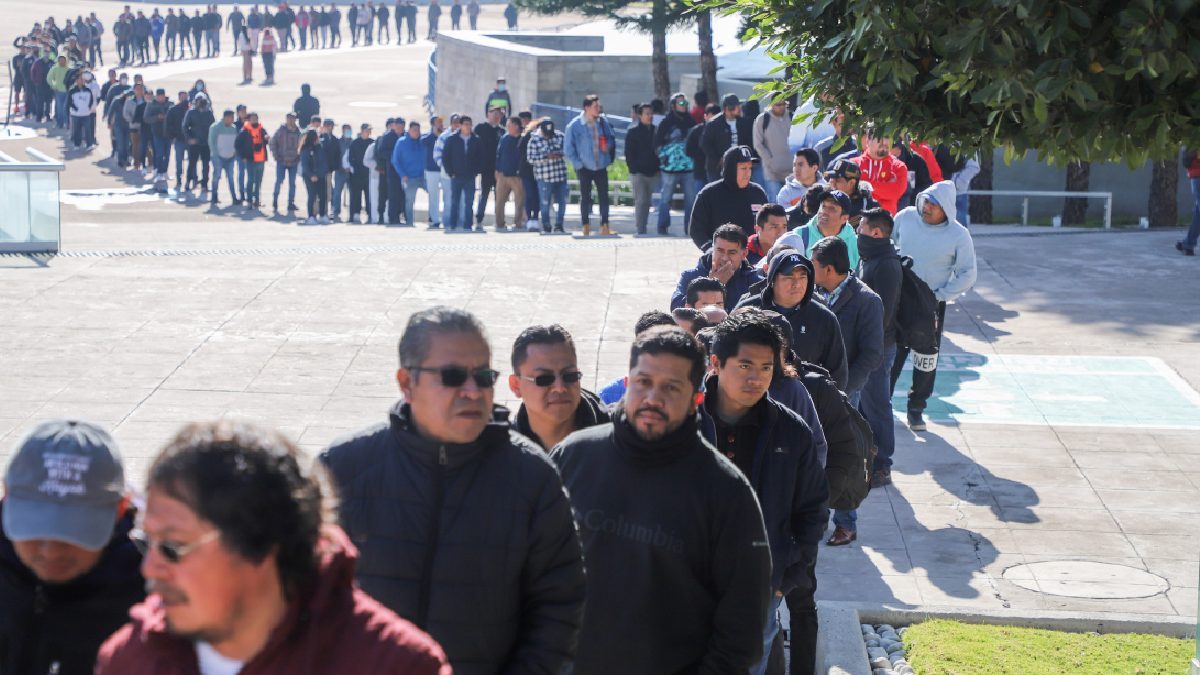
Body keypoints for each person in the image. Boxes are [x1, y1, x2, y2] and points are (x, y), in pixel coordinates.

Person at [319, 307, 586, 674]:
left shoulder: (532, 477)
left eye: (483, 376)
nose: (473, 391)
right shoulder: (341, 470)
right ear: (406, 383)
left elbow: (560, 606)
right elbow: (298, 599)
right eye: (454, 376)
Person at [95, 420, 452, 674]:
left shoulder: (397, 665)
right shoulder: (130, 660)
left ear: (262, 546)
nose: (150, 568)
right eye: (147, 543)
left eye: (173, 547)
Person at [552, 325, 772, 674]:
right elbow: (525, 571)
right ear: (627, 383)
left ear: (695, 400)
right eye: (644, 382)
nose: (653, 398)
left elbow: (741, 632)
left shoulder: (728, 494)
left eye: (671, 387)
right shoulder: (571, 458)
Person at [697, 310, 829, 675]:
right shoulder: (683, 424)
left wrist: (783, 582)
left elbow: (813, 511)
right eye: (744, 366)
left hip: (757, 594)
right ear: (715, 364)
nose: (756, 378)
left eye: (766, 368)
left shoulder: (791, 432)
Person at [0, 420, 145, 675]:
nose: (51, 552)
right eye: (35, 530)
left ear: (120, 510)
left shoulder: (156, 589)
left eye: (74, 533)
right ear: (7, 499)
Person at [811, 236, 883, 545]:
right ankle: (812, 520)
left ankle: (845, 522)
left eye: (813, 265)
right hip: (811, 389)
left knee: (845, 458)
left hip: (844, 393)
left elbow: (871, 354)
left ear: (828, 269)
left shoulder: (867, 301)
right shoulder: (811, 295)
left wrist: (843, 389)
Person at [890, 180, 977, 432]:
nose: (926, 207)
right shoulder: (906, 217)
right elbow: (888, 243)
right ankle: (882, 401)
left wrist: (941, 295)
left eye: (934, 205)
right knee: (890, 354)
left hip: (930, 306)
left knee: (926, 358)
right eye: (925, 201)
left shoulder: (959, 235)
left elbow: (967, 273)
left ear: (947, 210)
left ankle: (916, 407)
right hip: (897, 300)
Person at [736, 250, 850, 392]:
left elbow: (838, 373)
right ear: (772, 279)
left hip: (805, 404)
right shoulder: (748, 310)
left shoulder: (824, 318)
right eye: (789, 277)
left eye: (802, 277)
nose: (797, 284)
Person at [855, 208, 903, 488]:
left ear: (875, 233)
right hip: (867, 345)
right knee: (864, 406)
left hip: (878, 348)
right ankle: (868, 458)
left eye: (860, 228)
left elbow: (882, 313)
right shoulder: (871, 257)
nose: (857, 233)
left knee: (878, 405)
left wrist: (869, 348)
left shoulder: (886, 264)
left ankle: (882, 464)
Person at [508, 324, 610, 451]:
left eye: (569, 376)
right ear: (516, 386)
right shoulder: (501, 456)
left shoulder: (617, 443)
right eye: (544, 379)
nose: (560, 387)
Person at [689, 145, 770, 249]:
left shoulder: (758, 193)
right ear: (730, 169)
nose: (748, 173)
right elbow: (696, 230)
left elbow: (767, 225)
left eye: (750, 168)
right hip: (719, 255)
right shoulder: (708, 194)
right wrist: (710, 250)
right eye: (743, 168)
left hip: (752, 255)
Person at [672, 223, 763, 312]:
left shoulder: (755, 282)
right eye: (720, 251)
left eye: (732, 253)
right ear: (713, 249)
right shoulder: (690, 276)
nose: (724, 258)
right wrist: (711, 285)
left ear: (744, 254)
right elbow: (676, 308)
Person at [564, 94, 617, 236]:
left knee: (604, 196)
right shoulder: (575, 125)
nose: (598, 109)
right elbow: (568, 148)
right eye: (595, 107)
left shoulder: (603, 123)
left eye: (599, 106)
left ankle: (604, 225)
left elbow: (611, 139)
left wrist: (608, 147)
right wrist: (578, 164)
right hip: (584, 167)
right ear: (587, 108)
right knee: (585, 197)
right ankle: (585, 225)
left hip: (601, 166)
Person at [779, 188, 861, 271]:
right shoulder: (798, 236)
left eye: (832, 208)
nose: (824, 211)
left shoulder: (856, 244)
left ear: (844, 218)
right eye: (823, 206)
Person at [654, 92, 698, 235]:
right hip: (669, 169)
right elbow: (657, 144)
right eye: (680, 103)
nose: (684, 106)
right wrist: (665, 158)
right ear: (673, 106)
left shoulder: (691, 121)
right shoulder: (666, 123)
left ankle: (690, 228)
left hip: (688, 169)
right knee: (665, 198)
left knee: (691, 200)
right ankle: (662, 226)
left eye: (685, 103)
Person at [846, 129, 908, 215]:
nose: (884, 142)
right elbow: (848, 190)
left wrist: (862, 185)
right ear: (868, 141)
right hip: (856, 221)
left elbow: (896, 192)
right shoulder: (854, 164)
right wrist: (885, 188)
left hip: (885, 223)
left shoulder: (899, 167)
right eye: (879, 138)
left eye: (887, 137)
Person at [442, 114, 483, 232]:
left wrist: (475, 172)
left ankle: (468, 225)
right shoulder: (452, 139)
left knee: (469, 202)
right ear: (460, 125)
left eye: (470, 124)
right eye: (466, 124)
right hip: (456, 176)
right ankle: (453, 225)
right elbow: (446, 157)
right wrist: (450, 172)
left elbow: (480, 158)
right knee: (455, 201)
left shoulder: (476, 140)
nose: (468, 127)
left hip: (470, 176)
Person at [528, 118, 568, 233]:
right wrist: (546, 157)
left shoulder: (560, 136)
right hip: (544, 177)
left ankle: (559, 224)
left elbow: (568, 150)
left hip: (560, 176)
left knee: (562, 201)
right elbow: (530, 158)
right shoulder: (534, 140)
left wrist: (559, 154)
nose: (549, 136)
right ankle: (546, 224)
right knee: (544, 202)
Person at [625, 102, 660, 234]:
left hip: (653, 172)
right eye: (647, 114)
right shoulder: (633, 132)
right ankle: (641, 228)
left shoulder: (656, 131)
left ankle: (643, 225)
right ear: (640, 115)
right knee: (641, 200)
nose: (650, 116)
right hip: (638, 173)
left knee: (648, 201)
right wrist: (633, 169)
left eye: (651, 113)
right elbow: (629, 153)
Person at [752, 99, 792, 200]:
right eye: (778, 104)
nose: (781, 107)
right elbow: (758, 144)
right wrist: (769, 160)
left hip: (792, 173)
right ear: (771, 105)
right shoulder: (763, 119)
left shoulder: (792, 117)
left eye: (783, 104)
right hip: (772, 173)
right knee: (775, 203)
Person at [473, 107, 504, 229]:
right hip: (485, 169)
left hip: (498, 170)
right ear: (488, 114)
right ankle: (479, 220)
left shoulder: (502, 131)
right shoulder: (480, 128)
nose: (496, 116)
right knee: (484, 195)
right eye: (494, 114)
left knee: (499, 197)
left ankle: (499, 221)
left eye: (499, 114)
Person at [823, 158, 879, 226]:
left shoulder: (869, 205)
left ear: (852, 183)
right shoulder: (823, 200)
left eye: (838, 181)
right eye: (832, 179)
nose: (833, 184)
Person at [391, 120, 426, 227]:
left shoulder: (423, 141)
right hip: (409, 178)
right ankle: (409, 222)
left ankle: (434, 220)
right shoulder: (401, 142)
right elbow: (395, 160)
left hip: (423, 177)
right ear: (409, 130)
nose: (417, 132)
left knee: (434, 194)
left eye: (418, 130)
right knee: (409, 201)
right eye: (414, 130)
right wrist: (403, 174)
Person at [493, 115, 525, 231]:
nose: (507, 127)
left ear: (516, 126)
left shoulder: (523, 139)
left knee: (520, 201)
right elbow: (498, 154)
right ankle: (499, 223)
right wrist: (497, 170)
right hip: (502, 175)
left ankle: (518, 223)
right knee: (500, 201)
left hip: (517, 177)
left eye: (509, 125)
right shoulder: (504, 138)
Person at [701, 94, 742, 181]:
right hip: (716, 169)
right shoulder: (714, 123)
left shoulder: (742, 122)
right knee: (717, 193)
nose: (739, 108)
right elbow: (705, 143)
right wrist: (718, 159)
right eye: (736, 106)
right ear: (728, 108)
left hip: (738, 167)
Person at [236, 111, 269, 210]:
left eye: (256, 118)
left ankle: (257, 200)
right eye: (253, 118)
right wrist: (243, 157)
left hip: (261, 159)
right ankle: (249, 200)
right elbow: (237, 145)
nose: (255, 120)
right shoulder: (244, 131)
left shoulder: (262, 129)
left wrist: (267, 138)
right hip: (250, 159)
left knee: (258, 181)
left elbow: (266, 139)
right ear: (248, 120)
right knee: (251, 180)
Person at [182, 94, 215, 193]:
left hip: (205, 143)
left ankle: (204, 184)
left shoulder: (208, 113)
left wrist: (211, 140)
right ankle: (188, 181)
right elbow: (185, 127)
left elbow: (213, 127)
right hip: (194, 143)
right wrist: (190, 139)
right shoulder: (191, 112)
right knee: (192, 163)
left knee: (206, 165)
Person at [375, 117, 405, 225]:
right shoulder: (387, 137)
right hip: (391, 170)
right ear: (394, 126)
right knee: (393, 195)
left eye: (402, 126)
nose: (400, 128)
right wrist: (393, 156)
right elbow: (381, 152)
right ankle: (393, 218)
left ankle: (401, 215)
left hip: (404, 170)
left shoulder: (405, 136)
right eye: (398, 126)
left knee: (402, 195)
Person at [207, 108, 240, 206]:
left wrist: (234, 153)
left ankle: (234, 197)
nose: (232, 119)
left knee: (230, 178)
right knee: (216, 177)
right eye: (231, 117)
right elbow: (211, 142)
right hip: (218, 157)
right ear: (226, 117)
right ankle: (214, 197)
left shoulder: (233, 128)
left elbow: (235, 142)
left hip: (230, 157)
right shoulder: (215, 127)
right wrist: (217, 153)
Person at [299, 129, 330, 223]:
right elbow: (305, 165)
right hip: (310, 177)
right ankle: (311, 216)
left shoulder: (319, 148)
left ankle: (322, 215)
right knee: (312, 196)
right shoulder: (305, 149)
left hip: (320, 176)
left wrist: (322, 173)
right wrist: (311, 175)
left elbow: (323, 162)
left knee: (322, 196)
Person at [517, 113, 541, 230]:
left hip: (539, 171)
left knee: (537, 196)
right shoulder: (526, 136)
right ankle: (529, 218)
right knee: (529, 195)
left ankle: (535, 218)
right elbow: (521, 149)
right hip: (527, 171)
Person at [143, 88, 172, 182]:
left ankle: (165, 172)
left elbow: (174, 117)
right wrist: (157, 118)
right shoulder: (151, 105)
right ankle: (159, 172)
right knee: (159, 154)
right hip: (157, 133)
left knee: (167, 155)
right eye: (159, 96)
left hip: (168, 134)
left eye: (162, 96)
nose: (160, 98)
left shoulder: (170, 104)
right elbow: (146, 118)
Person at [348, 123, 374, 222]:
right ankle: (356, 214)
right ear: (362, 130)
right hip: (357, 175)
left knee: (369, 196)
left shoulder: (372, 142)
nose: (369, 132)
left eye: (369, 130)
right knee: (356, 196)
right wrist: (353, 169)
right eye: (367, 130)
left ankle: (369, 215)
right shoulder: (355, 143)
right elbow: (351, 158)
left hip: (369, 175)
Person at [421, 116, 444, 227]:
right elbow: (423, 141)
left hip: (444, 170)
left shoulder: (445, 136)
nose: (440, 124)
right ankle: (434, 219)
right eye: (437, 123)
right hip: (431, 171)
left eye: (441, 122)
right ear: (433, 125)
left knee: (447, 196)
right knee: (433, 196)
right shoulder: (427, 138)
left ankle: (447, 219)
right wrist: (434, 134)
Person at [1178, 147, 1200, 256]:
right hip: (1196, 175)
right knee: (1198, 213)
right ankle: (1188, 244)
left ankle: (1188, 244)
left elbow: (1186, 160)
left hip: (1197, 176)